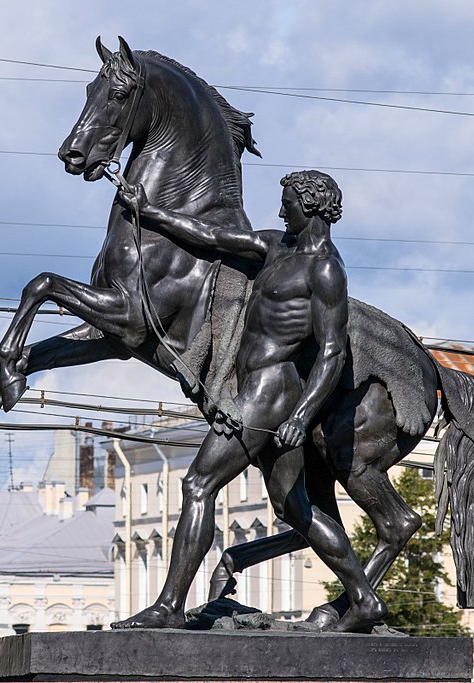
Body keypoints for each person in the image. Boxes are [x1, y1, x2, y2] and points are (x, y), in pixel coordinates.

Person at [112, 171, 385, 632]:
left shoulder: (325, 270)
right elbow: (215, 236)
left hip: (271, 392)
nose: (281, 212)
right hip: (257, 388)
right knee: (294, 507)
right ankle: (364, 599)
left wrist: (301, 416)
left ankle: (170, 607)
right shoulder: (278, 246)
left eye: (288, 203)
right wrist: (150, 211)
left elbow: (333, 352)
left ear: (312, 205)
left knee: (199, 484)